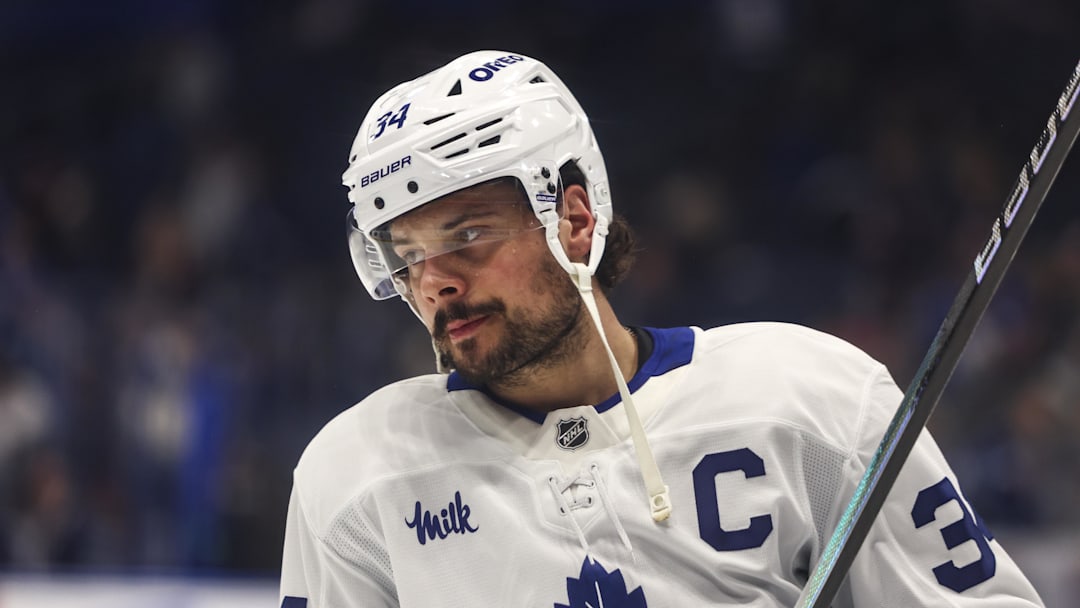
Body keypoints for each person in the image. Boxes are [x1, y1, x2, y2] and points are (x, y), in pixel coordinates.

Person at [279, 50, 1044, 607]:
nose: (434, 281)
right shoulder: (358, 478)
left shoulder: (814, 400)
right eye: (407, 256)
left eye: (466, 235)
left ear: (574, 219)